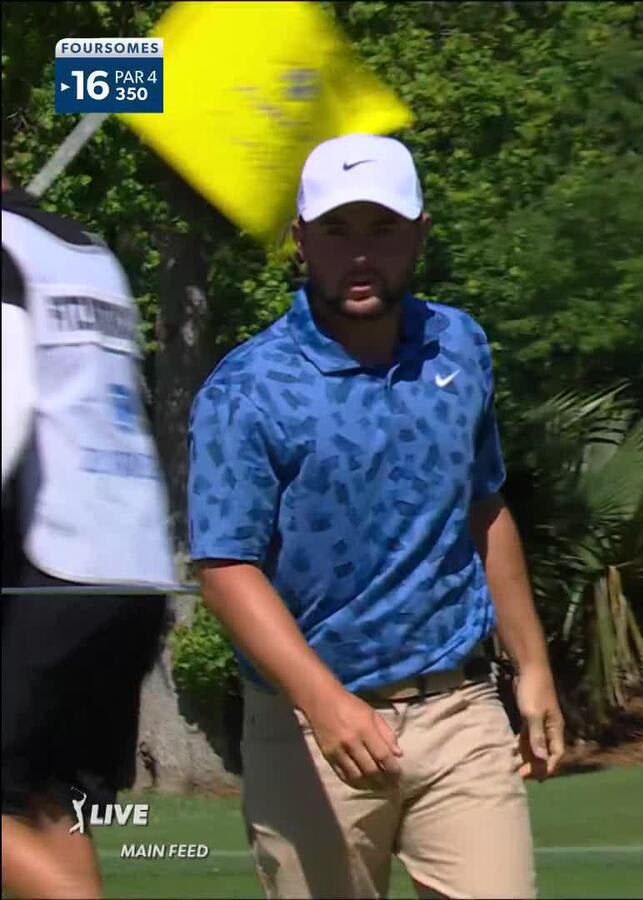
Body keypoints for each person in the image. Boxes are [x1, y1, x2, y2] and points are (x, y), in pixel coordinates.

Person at [187, 133, 562, 899]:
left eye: (382, 230)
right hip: (309, 730)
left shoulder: (459, 343)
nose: (360, 255)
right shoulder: (248, 388)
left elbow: (483, 506)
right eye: (337, 232)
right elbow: (226, 568)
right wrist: (324, 702)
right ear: (300, 241)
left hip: (459, 709)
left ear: (420, 233)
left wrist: (534, 668)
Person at [2, 169, 176, 898]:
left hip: (50, 571)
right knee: (49, 809)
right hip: (129, 570)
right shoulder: (83, 249)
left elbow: (7, 405)